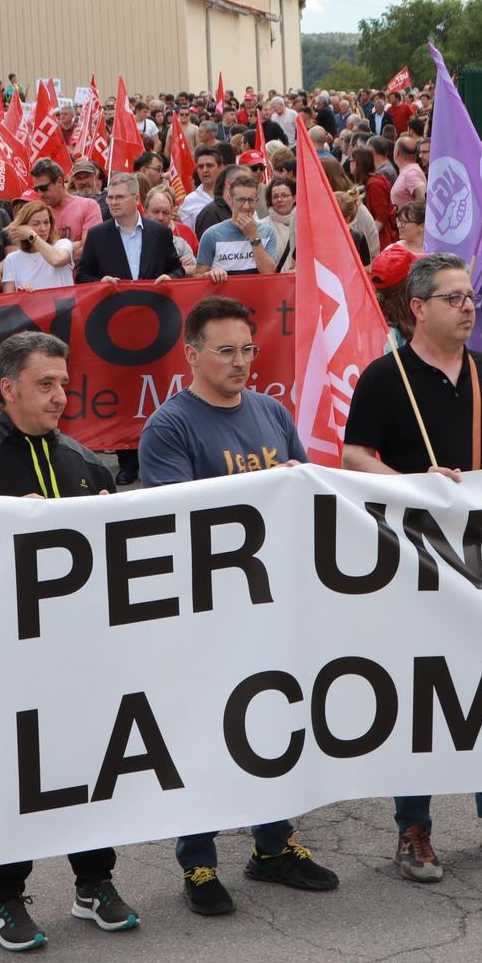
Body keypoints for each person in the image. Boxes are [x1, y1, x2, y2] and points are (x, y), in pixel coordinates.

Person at [340, 256, 482, 879]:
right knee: (425, 692)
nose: (469, 308)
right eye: (455, 298)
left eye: (472, 298)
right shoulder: (387, 377)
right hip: (420, 559)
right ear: (418, 307)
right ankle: (413, 827)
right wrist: (412, 486)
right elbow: (355, 453)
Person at [0, 332, 140, 951]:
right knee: (13, 776)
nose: (59, 396)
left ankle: (94, 882)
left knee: (90, 767)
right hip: (0, 660)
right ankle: (3, 898)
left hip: (77, 654)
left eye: (64, 384)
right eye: (45, 384)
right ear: (8, 388)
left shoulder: (82, 459)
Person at [138, 296, 340, 915]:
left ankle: (274, 847)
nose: (240, 362)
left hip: (271, 603)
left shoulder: (271, 412)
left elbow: (304, 489)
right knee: (204, 730)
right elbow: (176, 517)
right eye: (225, 350)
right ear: (191, 354)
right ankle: (197, 862)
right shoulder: (168, 426)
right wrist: (261, 485)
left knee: (275, 724)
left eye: (247, 349)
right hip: (205, 608)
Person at [76, 172, 179, 284]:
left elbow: (177, 269)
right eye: (110, 198)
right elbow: (82, 276)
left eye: (119, 197)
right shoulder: (96, 235)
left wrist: (170, 278)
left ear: (136, 199)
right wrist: (100, 282)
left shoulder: (161, 233)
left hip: (151, 299)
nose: (114, 203)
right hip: (115, 300)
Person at [196, 171, 278, 278]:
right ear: (230, 200)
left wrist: (253, 236)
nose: (246, 206)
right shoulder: (211, 234)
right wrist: (209, 274)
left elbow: (269, 273)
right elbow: (198, 275)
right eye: (240, 200)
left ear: (257, 200)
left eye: (251, 200)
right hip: (223, 294)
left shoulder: (268, 233)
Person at [0, 200, 76, 292]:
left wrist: (31, 235)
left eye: (46, 222)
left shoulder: (62, 244)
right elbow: (8, 302)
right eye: (36, 224)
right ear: (23, 227)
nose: (43, 228)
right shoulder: (12, 259)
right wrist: (19, 295)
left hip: (63, 306)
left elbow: (56, 260)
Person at [28, 157, 103, 247]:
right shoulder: (38, 213)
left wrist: (53, 254)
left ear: (59, 181)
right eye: (36, 189)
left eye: (43, 188)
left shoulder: (89, 206)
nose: (40, 194)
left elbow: (89, 248)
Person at [143, 186, 199, 275]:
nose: (160, 217)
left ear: (171, 214)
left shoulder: (181, 243)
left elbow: (197, 271)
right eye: (156, 211)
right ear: (145, 212)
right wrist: (178, 268)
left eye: (165, 213)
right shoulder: (133, 241)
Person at [261, 177, 297, 270]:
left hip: (300, 281)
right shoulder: (263, 226)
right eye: (275, 196)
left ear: (294, 198)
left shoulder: (304, 224)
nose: (279, 199)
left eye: (284, 195)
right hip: (276, 282)